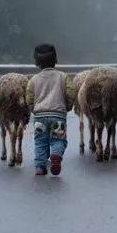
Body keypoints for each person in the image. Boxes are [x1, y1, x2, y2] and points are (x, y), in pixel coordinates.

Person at [24, 44, 76, 176]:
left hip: (39, 117)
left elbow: (29, 98)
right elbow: (71, 94)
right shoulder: (63, 77)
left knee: (40, 142)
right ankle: (55, 156)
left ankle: (40, 167)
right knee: (58, 140)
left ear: (36, 62)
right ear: (56, 60)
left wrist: (34, 110)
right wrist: (67, 107)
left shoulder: (33, 80)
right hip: (58, 116)